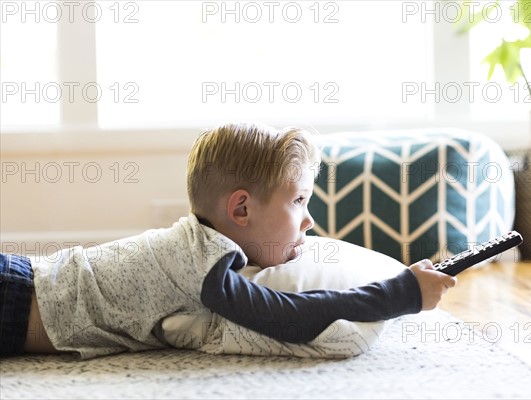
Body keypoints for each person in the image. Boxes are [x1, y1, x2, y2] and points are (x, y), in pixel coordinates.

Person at [0, 123, 457, 359]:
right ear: (241, 210)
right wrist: (401, 294)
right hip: (13, 299)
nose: (310, 220)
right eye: (298, 201)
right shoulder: (198, 259)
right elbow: (290, 319)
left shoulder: (203, 251)